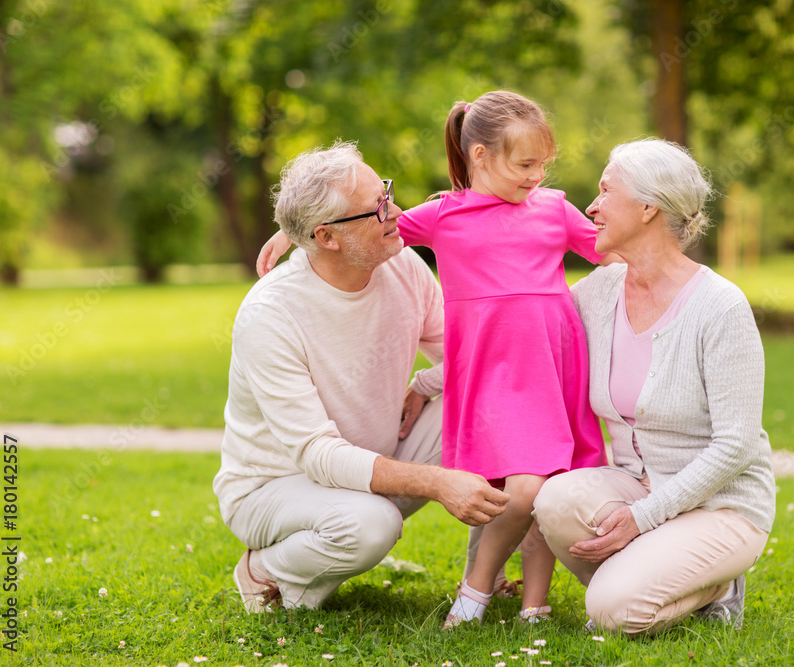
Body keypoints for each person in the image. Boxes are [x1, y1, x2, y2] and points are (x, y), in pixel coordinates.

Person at [255, 90, 610, 627]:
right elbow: (359, 224)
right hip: (496, 383)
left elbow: (609, 247)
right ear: (481, 156)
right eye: (525, 164)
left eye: (544, 164)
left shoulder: (554, 209)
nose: (537, 175)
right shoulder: (444, 217)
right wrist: (294, 228)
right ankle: (477, 589)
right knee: (521, 488)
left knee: (542, 487)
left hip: (552, 372)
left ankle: (532, 602)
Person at [213, 142, 509, 613]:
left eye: (386, 193)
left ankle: (484, 580)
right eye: (377, 208)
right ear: (327, 237)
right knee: (372, 525)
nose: (397, 212)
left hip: (374, 461)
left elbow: (470, 360)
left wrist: (425, 385)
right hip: (274, 489)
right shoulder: (270, 315)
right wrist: (439, 482)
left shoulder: (403, 265)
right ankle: (263, 571)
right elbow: (317, 455)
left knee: (495, 408)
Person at [532, 138, 776, 634]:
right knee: (554, 500)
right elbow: (522, 340)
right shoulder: (598, 292)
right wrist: (429, 381)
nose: (591, 207)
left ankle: (717, 587)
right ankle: (648, 578)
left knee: (612, 612)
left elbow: (736, 444)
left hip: (722, 505)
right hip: (635, 485)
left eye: (606, 191)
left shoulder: (720, 307)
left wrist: (644, 517)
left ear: (648, 208)